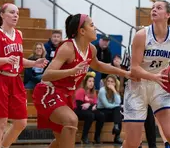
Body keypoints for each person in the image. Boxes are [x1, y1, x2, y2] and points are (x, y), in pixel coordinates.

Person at [32, 14, 131, 148]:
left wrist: (125, 73)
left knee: (61, 142)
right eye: (91, 25)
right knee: (71, 120)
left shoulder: (92, 49)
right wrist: (71, 71)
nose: (95, 27)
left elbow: (100, 66)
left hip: (65, 95)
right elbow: (46, 75)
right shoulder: (67, 48)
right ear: (82, 31)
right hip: (48, 91)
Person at [122, 0, 170, 148]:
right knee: (133, 143)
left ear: (168, 14)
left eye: (159, 8)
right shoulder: (142, 35)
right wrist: (154, 77)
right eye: (153, 8)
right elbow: (134, 68)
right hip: (137, 87)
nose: (154, 9)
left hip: (161, 87)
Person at [0, 3, 48, 148]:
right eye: (11, 12)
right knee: (1, 122)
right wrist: (5, 59)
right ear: (2, 15)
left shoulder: (19, 34)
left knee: (21, 122)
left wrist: (34, 63)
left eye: (17, 13)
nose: (15, 15)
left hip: (15, 80)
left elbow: (18, 59)